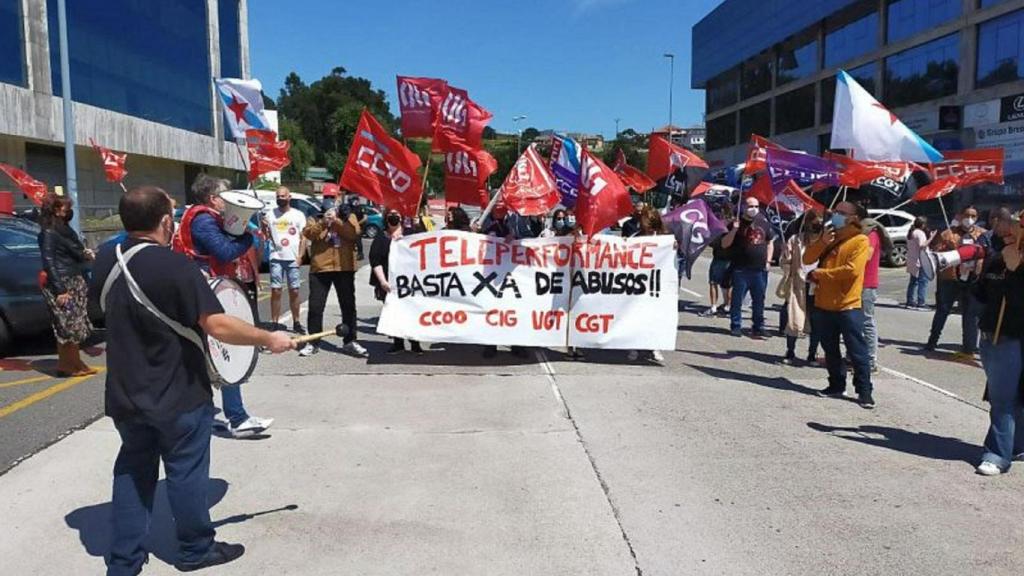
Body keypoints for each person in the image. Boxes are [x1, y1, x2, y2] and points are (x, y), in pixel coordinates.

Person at [89, 186, 295, 575]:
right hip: (178, 393)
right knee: (185, 472)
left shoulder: (105, 259)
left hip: (126, 394)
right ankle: (195, 549)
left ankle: (124, 561)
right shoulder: (177, 267)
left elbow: (99, 319)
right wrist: (268, 338)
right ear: (166, 221)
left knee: (133, 471)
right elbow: (217, 325)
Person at [173, 175, 271, 438]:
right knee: (226, 349)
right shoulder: (204, 220)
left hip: (208, 288)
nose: (228, 201)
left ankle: (209, 414)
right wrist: (248, 238)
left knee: (209, 354)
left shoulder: (205, 218)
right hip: (206, 290)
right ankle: (237, 418)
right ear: (212, 198)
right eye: (224, 196)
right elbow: (224, 252)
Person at [803, 202, 875, 409]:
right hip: (823, 303)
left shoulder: (860, 240)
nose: (836, 215)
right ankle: (835, 384)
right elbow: (808, 257)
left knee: (857, 351)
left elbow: (852, 270)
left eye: (842, 213)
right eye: (835, 211)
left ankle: (864, 390)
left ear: (853, 218)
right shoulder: (830, 237)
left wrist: (820, 274)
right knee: (830, 349)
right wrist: (822, 242)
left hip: (848, 305)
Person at [973, 210, 1023, 476]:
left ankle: (997, 454)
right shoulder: (995, 259)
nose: (1004, 229)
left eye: (1012, 225)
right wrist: (973, 274)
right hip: (991, 335)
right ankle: (1015, 444)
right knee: (1009, 397)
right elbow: (981, 296)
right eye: (1003, 223)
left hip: (1012, 338)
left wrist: (1015, 272)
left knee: (1002, 399)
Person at [37, 194, 97, 377]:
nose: (68, 210)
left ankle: (71, 364)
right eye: (64, 207)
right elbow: (49, 261)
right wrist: (60, 290)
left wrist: (85, 254)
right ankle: (71, 364)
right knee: (67, 325)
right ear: (54, 210)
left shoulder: (63, 229)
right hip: (64, 283)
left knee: (71, 324)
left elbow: (74, 252)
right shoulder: (49, 232)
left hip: (73, 279)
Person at [298, 206, 367, 357]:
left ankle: (350, 341)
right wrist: (323, 222)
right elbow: (309, 234)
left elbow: (354, 234)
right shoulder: (314, 218)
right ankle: (313, 341)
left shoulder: (349, 217)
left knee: (348, 306)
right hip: (320, 268)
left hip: (344, 267)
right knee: (316, 306)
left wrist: (337, 222)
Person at [925, 206, 986, 361]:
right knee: (942, 311)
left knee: (970, 315)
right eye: (967, 215)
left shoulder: (981, 234)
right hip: (950, 279)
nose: (970, 218)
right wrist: (951, 248)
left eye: (973, 215)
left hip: (972, 280)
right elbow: (936, 255)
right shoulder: (948, 234)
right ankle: (932, 342)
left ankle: (968, 347)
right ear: (960, 216)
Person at [371, 209, 424, 355]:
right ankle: (398, 343)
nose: (394, 217)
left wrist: (418, 224)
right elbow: (375, 260)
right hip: (389, 283)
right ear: (386, 218)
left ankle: (415, 344)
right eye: (391, 215)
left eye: (397, 214)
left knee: (411, 313)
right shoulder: (381, 237)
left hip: (409, 283)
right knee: (394, 314)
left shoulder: (410, 234)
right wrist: (382, 281)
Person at [722, 196, 773, 338]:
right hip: (741, 269)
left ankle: (758, 326)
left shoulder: (763, 222)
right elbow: (724, 244)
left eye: (756, 206)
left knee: (759, 300)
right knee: (737, 299)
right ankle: (736, 325)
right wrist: (734, 230)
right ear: (744, 207)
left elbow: (770, 242)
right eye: (751, 206)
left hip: (760, 269)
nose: (754, 209)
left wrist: (768, 261)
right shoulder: (736, 223)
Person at [777, 211, 822, 365]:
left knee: (816, 322)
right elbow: (785, 262)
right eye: (814, 223)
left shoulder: (826, 241)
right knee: (794, 319)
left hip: (817, 286)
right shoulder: (796, 240)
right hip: (799, 285)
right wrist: (785, 256)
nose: (816, 226)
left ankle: (812, 354)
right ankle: (790, 352)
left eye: (819, 223)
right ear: (807, 223)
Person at [627, 206, 667, 365]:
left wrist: (674, 247)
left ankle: (654, 346)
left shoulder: (665, 239)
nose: (647, 227)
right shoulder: (635, 238)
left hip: (657, 285)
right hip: (638, 285)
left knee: (655, 317)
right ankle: (634, 345)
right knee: (636, 315)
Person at [267, 186, 308, 333]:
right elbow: (266, 235)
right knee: (276, 290)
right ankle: (274, 322)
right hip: (276, 257)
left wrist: (300, 256)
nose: (280, 199)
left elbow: (304, 238)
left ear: (289, 197)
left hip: (292, 258)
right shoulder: (270, 215)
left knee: (294, 290)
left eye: (283, 196)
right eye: (278, 196)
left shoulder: (298, 215)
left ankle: (296, 322)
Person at [860, 211, 892, 372]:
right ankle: (854, 356)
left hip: (866, 285)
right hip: (856, 284)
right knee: (855, 323)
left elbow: (866, 256)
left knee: (866, 322)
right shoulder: (860, 233)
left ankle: (871, 360)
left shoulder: (870, 234)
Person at [701, 203, 734, 317]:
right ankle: (727, 306)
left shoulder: (719, 224)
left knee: (713, 282)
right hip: (730, 258)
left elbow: (713, 242)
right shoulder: (734, 224)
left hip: (720, 257)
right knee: (727, 285)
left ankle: (714, 306)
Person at [905, 216, 931, 309]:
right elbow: (922, 246)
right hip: (921, 260)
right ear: (923, 225)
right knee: (923, 282)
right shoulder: (920, 233)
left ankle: (910, 301)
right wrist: (931, 238)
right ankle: (921, 302)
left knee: (913, 282)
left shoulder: (911, 232)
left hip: (912, 259)